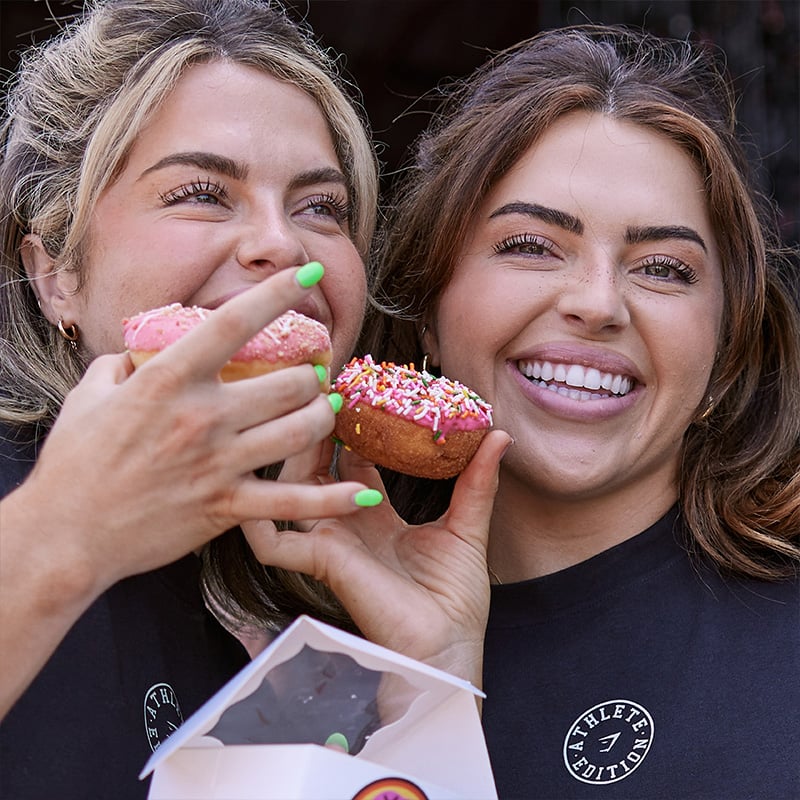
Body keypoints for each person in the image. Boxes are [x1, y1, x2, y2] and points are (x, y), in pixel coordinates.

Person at [350, 24, 799, 799]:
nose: (597, 304)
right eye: (531, 246)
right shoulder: (293, 654)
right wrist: (427, 695)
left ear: (725, 355)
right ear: (428, 312)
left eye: (663, 268)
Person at [0, 0, 390, 795]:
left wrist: (429, 671)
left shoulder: (328, 580)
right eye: (203, 192)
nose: (281, 243)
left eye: (321, 207)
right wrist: (64, 535)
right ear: (56, 274)